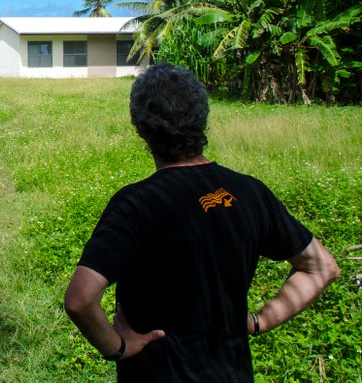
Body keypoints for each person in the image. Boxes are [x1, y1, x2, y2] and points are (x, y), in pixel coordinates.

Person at [64, 63, 340, 381]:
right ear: (202, 117)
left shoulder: (137, 204)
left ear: (140, 126)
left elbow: (80, 300)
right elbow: (322, 268)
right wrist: (258, 320)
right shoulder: (250, 191)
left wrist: (118, 347)